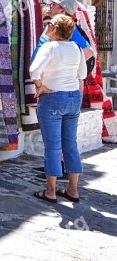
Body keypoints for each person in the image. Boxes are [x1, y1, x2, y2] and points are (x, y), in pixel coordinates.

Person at [30, 15, 87, 204]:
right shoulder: (76, 48)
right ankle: (72, 190)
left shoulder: (49, 47)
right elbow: (82, 74)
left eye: (49, 24)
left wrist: (40, 86)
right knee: (70, 143)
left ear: (55, 28)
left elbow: (34, 70)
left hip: (53, 98)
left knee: (53, 146)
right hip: (73, 97)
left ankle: (51, 191)